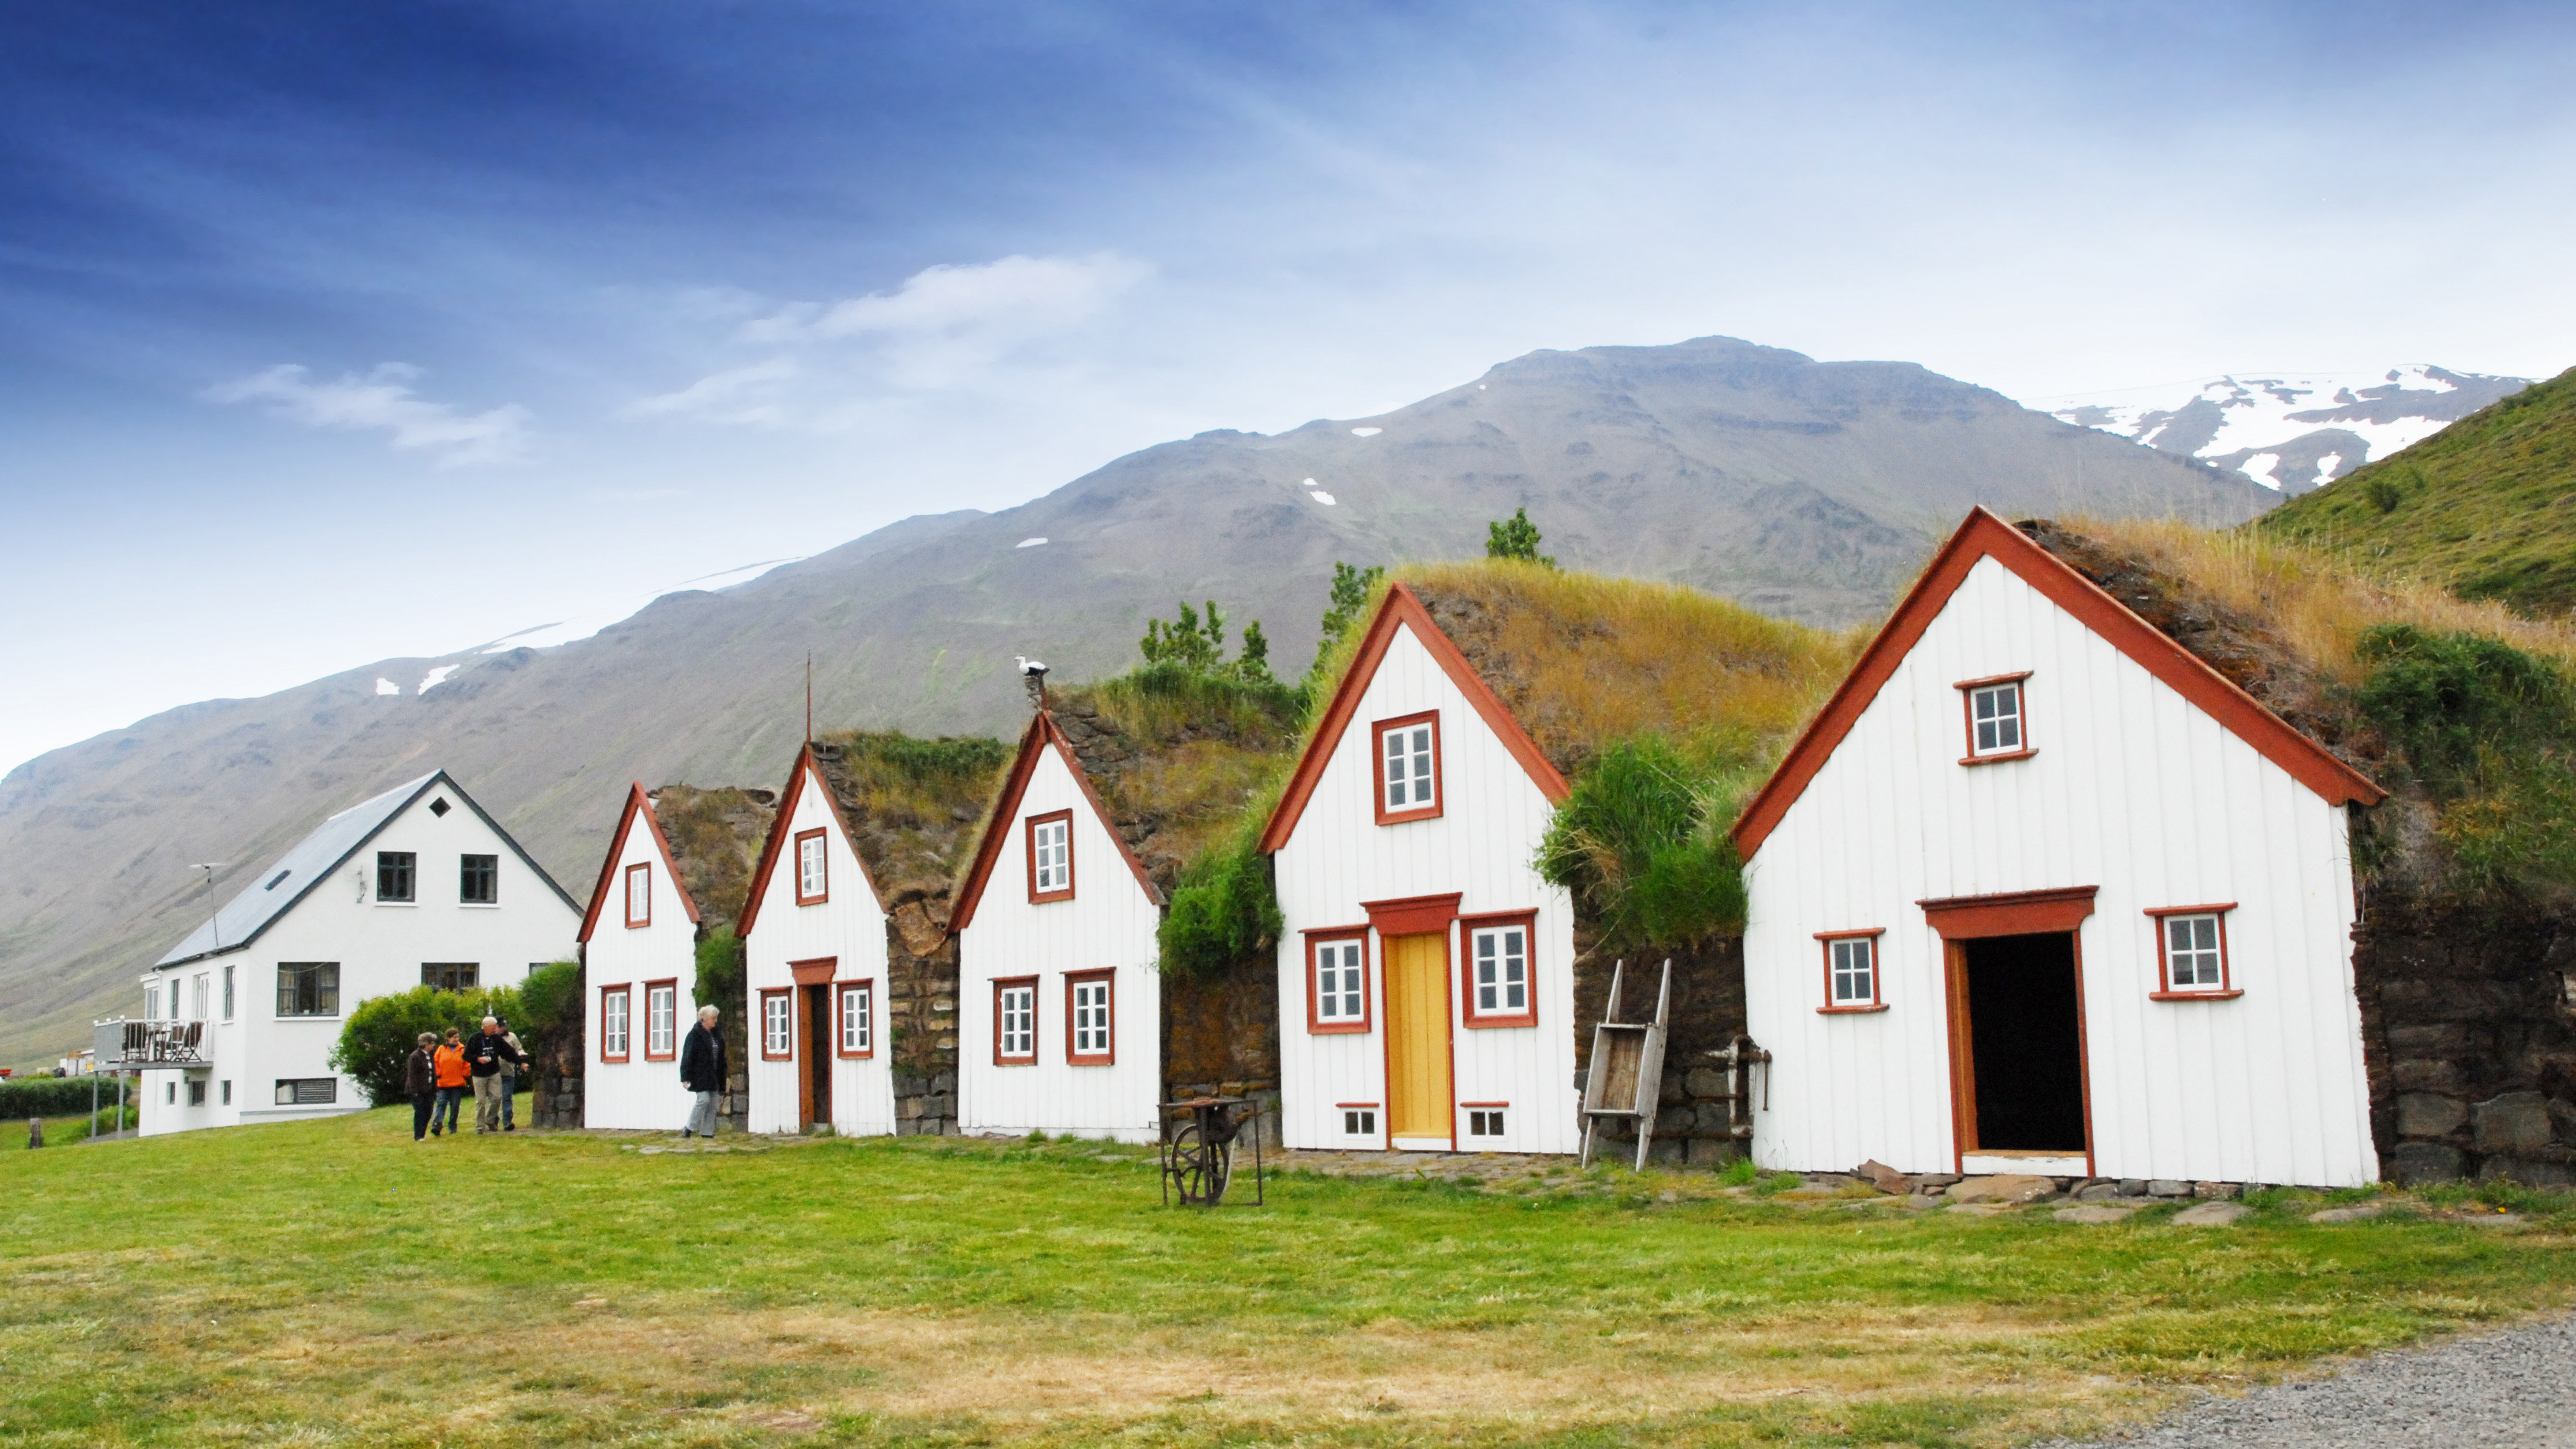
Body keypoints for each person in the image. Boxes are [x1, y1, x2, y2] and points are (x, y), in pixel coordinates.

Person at [464, 1015, 526, 1134]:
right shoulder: (475, 1038)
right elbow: (466, 1055)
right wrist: (478, 1059)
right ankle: (480, 1127)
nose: (495, 1029)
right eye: (493, 1027)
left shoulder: (497, 1039)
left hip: (494, 1073)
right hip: (479, 1074)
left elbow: (508, 1052)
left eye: (495, 1027)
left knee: (497, 1098)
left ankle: (490, 1119)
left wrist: (521, 1062)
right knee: (481, 1101)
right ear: (485, 1027)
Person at [678, 1005, 726, 1138]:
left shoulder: (717, 1034)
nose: (715, 1021)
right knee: (703, 1099)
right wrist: (685, 1076)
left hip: (715, 1074)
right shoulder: (694, 1035)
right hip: (700, 1074)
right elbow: (687, 1055)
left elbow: (722, 1055)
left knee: (713, 1103)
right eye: (713, 1018)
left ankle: (707, 1132)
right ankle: (689, 1128)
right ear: (704, 1019)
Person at [431, 1028, 471, 1136]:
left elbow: (467, 1063)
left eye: (458, 1037)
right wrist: (438, 1073)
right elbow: (436, 1061)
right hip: (443, 1083)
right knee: (441, 1104)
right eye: (454, 1037)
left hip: (457, 1083)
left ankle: (452, 1125)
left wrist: (464, 1074)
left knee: (455, 1106)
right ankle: (437, 1125)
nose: (456, 1039)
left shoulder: (462, 1049)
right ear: (448, 1038)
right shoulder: (441, 1049)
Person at [406, 1032, 439, 1141]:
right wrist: (414, 1091)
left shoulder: (430, 1055)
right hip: (418, 1091)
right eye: (431, 1043)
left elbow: (432, 1072)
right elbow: (412, 1075)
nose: (433, 1045)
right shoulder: (415, 1056)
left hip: (429, 1089)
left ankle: (422, 1133)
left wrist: (435, 1088)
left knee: (429, 1112)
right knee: (420, 1112)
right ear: (425, 1044)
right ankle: (418, 1136)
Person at [496, 1015, 527, 1132]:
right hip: (494, 1073)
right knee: (495, 1098)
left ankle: (507, 1122)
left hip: (508, 1071)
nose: (502, 1028)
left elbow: (519, 1048)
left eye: (503, 1025)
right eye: (500, 1026)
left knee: (507, 1097)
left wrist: (521, 1056)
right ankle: (493, 1120)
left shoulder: (511, 1037)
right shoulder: (491, 1038)